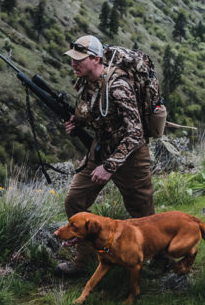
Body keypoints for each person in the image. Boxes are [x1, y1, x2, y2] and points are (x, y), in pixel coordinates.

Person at [55, 34, 155, 276]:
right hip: (101, 149)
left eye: (80, 59)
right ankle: (84, 260)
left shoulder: (118, 85)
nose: (74, 63)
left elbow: (136, 133)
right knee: (75, 201)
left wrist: (109, 167)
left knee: (143, 214)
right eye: (73, 59)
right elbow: (95, 112)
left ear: (96, 59)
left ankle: (160, 260)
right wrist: (76, 123)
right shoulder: (86, 82)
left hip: (130, 155)